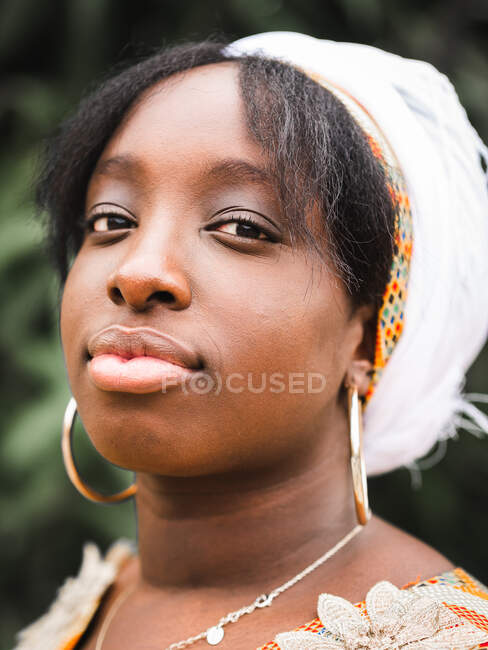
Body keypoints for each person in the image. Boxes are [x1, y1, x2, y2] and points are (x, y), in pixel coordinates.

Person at [14, 31, 488, 650]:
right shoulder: (96, 601)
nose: (136, 272)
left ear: (365, 337)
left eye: (241, 226)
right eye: (111, 220)